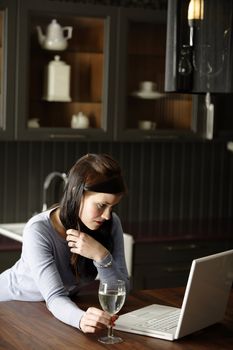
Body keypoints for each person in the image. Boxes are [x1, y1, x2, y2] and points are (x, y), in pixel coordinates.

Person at [0, 153, 129, 333]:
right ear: (77, 193)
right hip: (11, 304)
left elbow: (121, 290)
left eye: (112, 207)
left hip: (49, 312)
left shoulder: (110, 223)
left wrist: (101, 256)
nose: (107, 215)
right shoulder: (38, 230)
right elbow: (54, 296)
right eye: (101, 205)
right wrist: (81, 318)